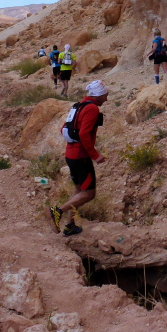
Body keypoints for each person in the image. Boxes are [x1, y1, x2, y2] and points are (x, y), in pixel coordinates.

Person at [49, 80, 109, 236]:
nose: (106, 98)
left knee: (78, 191)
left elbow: (63, 128)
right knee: (89, 194)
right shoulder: (92, 108)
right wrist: (95, 155)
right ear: (98, 95)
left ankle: (70, 225)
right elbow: (83, 134)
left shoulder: (78, 106)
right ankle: (57, 211)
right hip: (81, 157)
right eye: (105, 95)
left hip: (70, 154)